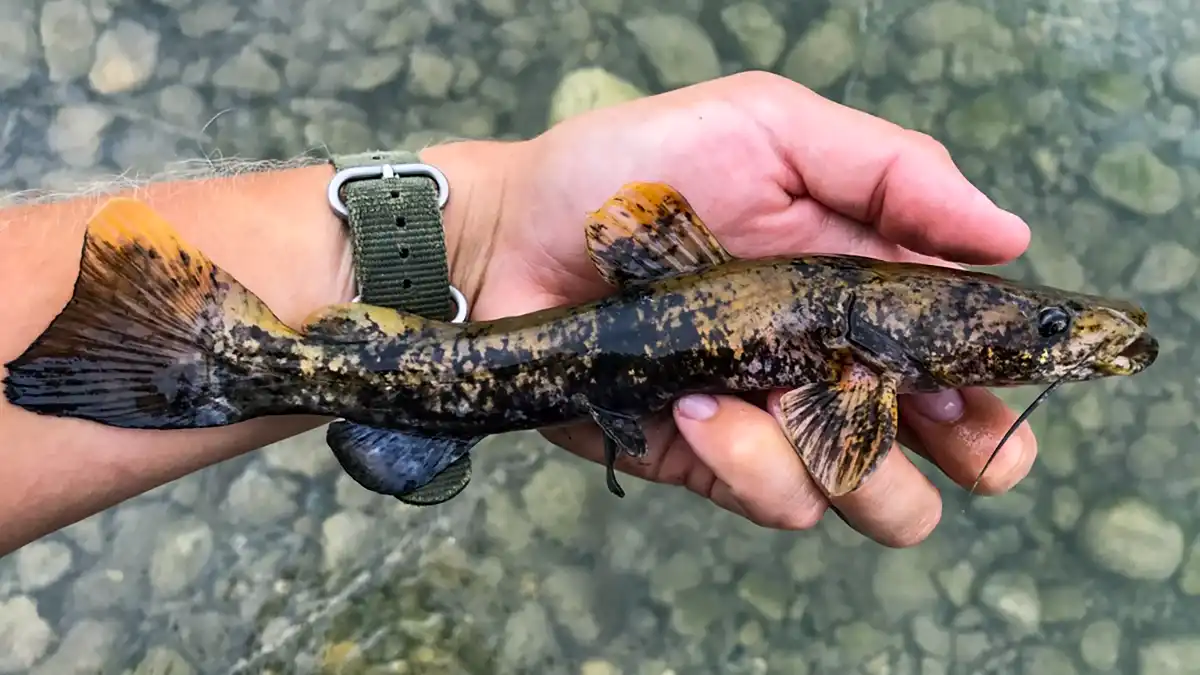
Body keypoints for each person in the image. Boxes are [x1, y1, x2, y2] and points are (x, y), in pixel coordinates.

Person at [0, 71, 1036, 556]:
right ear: (898, 325)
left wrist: (482, 228)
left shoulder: (849, 337)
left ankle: (206, 354)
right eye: (1033, 330)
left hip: (425, 356)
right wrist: (475, 234)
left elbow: (638, 229)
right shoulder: (844, 363)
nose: (1042, 344)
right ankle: (210, 357)